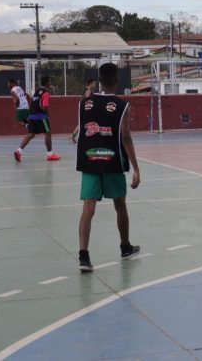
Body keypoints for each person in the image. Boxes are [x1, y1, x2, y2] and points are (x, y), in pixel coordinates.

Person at [76, 63, 141, 271]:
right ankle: (125, 247)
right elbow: (125, 137)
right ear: (116, 81)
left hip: (90, 161)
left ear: (99, 81)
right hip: (112, 162)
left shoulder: (84, 104)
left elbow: (82, 130)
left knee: (88, 209)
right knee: (120, 205)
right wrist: (136, 168)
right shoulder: (122, 106)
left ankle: (83, 256)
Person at [14, 75, 60, 162]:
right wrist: (47, 114)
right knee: (47, 133)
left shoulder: (37, 91)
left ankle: (18, 151)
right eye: (49, 81)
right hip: (41, 117)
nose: (50, 83)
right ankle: (50, 155)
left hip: (31, 116)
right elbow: (44, 106)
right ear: (47, 83)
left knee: (31, 134)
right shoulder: (46, 93)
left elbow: (33, 103)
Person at [70, 79, 98, 143]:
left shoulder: (89, 90)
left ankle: (73, 137)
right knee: (82, 123)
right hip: (86, 109)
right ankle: (74, 137)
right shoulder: (88, 90)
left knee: (82, 123)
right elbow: (87, 100)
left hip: (86, 108)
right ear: (90, 83)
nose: (95, 85)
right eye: (94, 83)